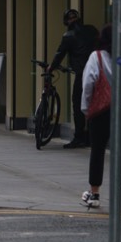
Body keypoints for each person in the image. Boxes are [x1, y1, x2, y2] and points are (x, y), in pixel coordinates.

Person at [80, 23, 121, 215]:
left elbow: (88, 83)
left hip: (103, 111)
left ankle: (94, 194)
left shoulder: (96, 57)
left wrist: (86, 107)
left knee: (97, 151)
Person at [47, 8, 98, 148]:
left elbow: (60, 54)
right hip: (97, 72)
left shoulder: (68, 36)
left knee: (78, 103)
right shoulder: (92, 30)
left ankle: (79, 137)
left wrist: (51, 67)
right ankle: (94, 136)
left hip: (82, 74)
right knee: (95, 103)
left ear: (66, 22)